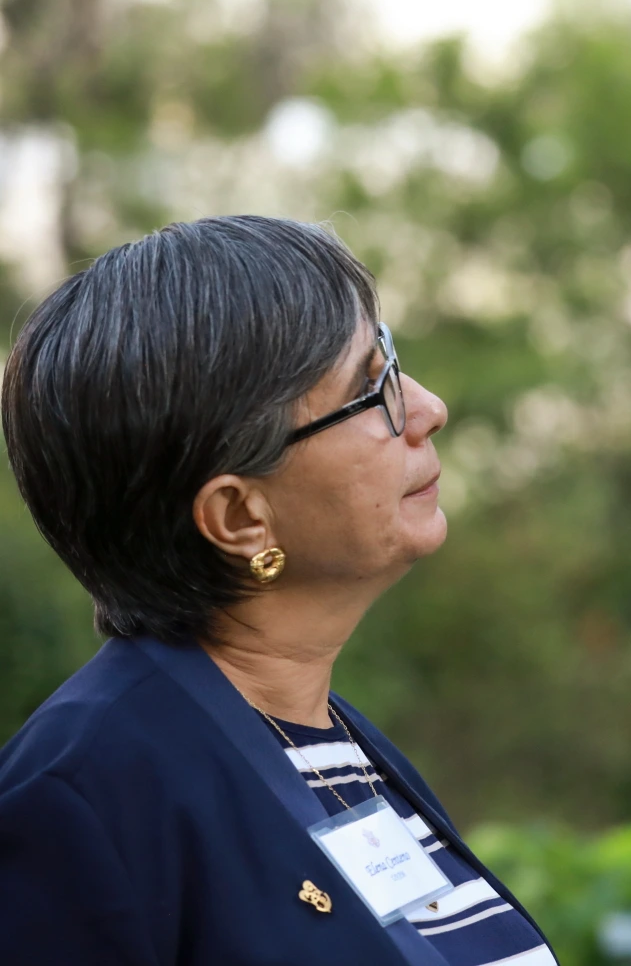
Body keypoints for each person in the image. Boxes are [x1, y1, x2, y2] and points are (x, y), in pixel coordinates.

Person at [0, 216, 556, 965]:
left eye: (390, 359)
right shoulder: (87, 795)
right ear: (239, 517)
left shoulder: (329, 741)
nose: (427, 409)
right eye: (373, 391)